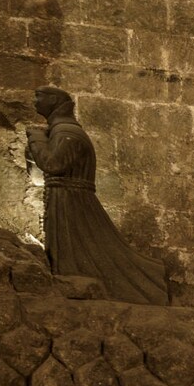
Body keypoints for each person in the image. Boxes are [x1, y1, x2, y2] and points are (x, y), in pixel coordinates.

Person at [26, 87, 169, 304]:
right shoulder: (60, 130)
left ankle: (150, 285)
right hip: (64, 198)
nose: (35, 101)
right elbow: (41, 173)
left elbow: (52, 164)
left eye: (39, 97)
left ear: (54, 101)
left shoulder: (68, 132)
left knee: (87, 255)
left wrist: (36, 140)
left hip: (71, 202)